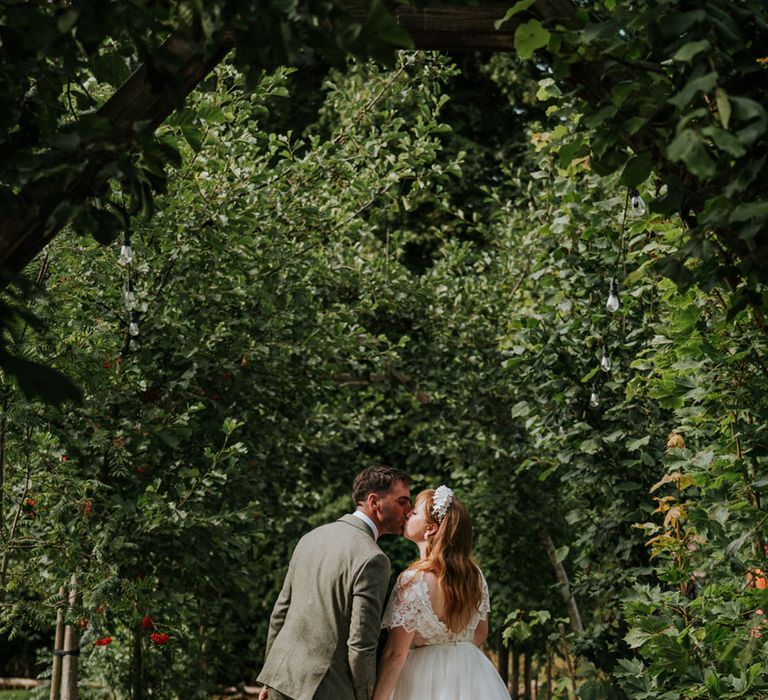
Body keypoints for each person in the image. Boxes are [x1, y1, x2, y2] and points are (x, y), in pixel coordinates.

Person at [257, 465, 412, 700]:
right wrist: (366, 696)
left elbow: (280, 613)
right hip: (326, 689)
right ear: (374, 501)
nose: (408, 511)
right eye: (402, 502)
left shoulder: (310, 538)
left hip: (282, 679)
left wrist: (270, 678)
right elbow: (361, 643)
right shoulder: (373, 558)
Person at [372, 486, 509, 700]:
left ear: (431, 529)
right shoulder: (475, 576)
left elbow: (395, 653)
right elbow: (481, 632)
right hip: (470, 674)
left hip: (420, 681)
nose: (408, 513)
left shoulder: (412, 580)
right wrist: (451, 658)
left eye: (415, 513)